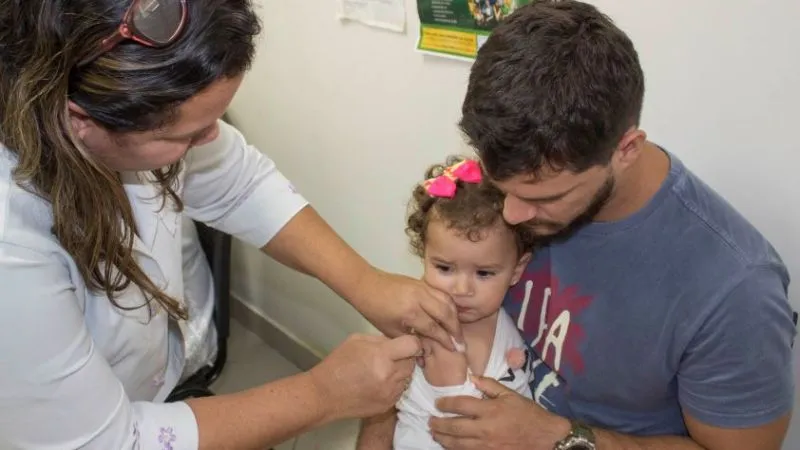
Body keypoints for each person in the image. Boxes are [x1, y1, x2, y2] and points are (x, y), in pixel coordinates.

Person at [0, 1, 465, 449]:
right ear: (79, 120)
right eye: (185, 135)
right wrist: (323, 394)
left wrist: (367, 283)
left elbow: (240, 184)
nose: (212, 137)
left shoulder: (117, 116)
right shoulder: (12, 241)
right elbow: (106, 441)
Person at [358, 1, 797, 449]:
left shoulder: (734, 290)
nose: (511, 215)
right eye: (501, 185)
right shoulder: (529, 174)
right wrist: (381, 420)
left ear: (626, 149)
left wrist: (558, 439)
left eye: (543, 198)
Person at [389, 157, 536, 449]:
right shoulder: (429, 326)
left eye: (484, 273)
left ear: (516, 271)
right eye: (444, 268)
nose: (461, 289)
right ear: (424, 256)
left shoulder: (514, 317)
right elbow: (454, 412)